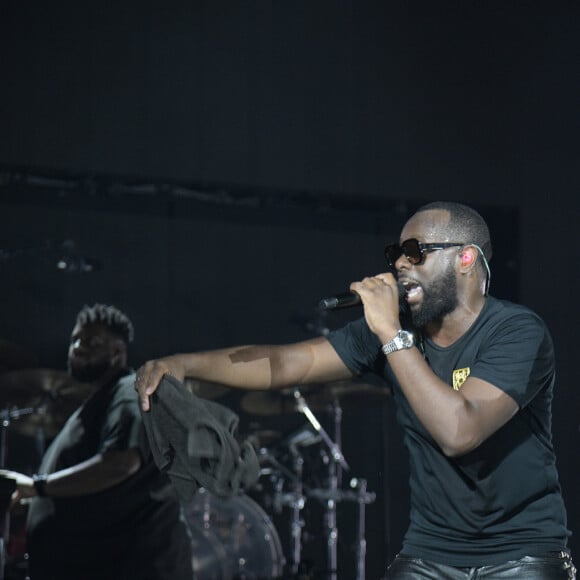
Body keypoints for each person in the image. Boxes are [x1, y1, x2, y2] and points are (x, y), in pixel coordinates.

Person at [135, 201, 575, 579]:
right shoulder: (394, 332)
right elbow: (290, 362)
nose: (400, 264)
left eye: (414, 252)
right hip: (431, 554)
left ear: (465, 259)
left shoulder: (516, 331)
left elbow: (459, 431)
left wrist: (389, 332)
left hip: (522, 556)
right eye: (395, 254)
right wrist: (185, 364)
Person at [0, 304, 194, 580]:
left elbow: (120, 464)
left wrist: (37, 488)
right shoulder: (100, 404)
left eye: (92, 342)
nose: (79, 347)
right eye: (75, 340)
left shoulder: (129, 391)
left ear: (118, 351)